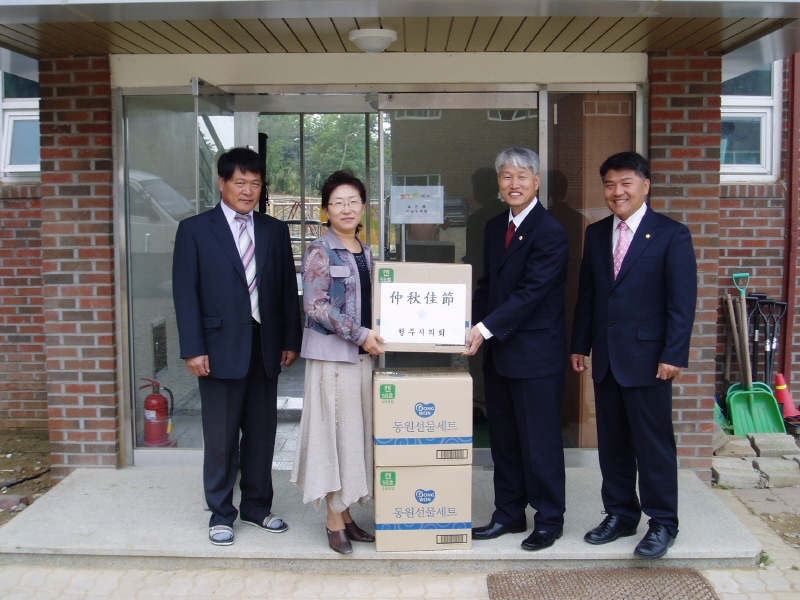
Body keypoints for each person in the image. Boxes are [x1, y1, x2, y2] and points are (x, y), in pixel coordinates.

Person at [172, 147, 302, 546]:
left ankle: (258, 507)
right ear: (223, 183)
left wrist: (290, 340)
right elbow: (185, 293)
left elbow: (285, 291)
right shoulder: (195, 229)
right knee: (222, 436)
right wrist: (193, 348)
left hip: (265, 347)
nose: (248, 190)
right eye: (240, 182)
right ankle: (221, 511)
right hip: (217, 348)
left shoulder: (273, 230)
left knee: (262, 433)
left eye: (255, 183)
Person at [570, 151, 697, 559]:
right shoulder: (597, 232)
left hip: (650, 361)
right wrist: (579, 344)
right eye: (609, 184)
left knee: (653, 444)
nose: (617, 191)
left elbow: (682, 302)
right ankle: (621, 514)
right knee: (613, 443)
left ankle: (663, 522)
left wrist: (674, 353)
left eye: (626, 183)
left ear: (646, 185)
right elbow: (588, 295)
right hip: (606, 357)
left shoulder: (671, 234)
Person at [463, 147, 569, 551]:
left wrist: (485, 328)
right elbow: (489, 286)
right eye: (506, 176)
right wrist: (466, 321)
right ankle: (507, 513)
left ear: (537, 182)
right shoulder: (494, 227)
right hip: (500, 352)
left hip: (536, 355)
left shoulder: (550, 231)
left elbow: (531, 294)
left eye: (522, 176)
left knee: (539, 442)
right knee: (504, 438)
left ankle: (549, 519)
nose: (514, 184)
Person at [291, 169, 385, 555]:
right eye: (337, 203)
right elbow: (315, 306)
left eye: (353, 201)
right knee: (333, 436)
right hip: (332, 361)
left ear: (364, 207)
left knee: (354, 436)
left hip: (363, 360)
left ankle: (345, 513)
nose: (346, 209)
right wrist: (361, 334)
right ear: (325, 210)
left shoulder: (366, 250)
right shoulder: (320, 250)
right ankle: (333, 518)